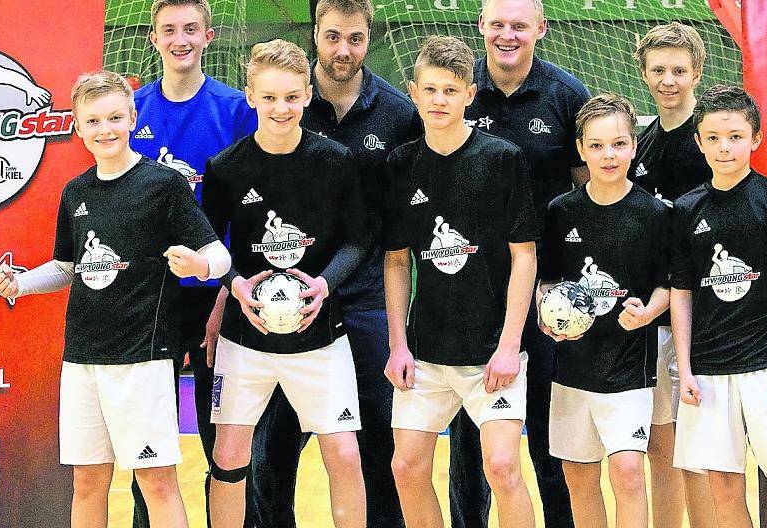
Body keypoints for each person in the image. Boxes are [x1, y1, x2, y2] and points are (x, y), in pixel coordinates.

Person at [0, 70, 231, 528]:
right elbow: (66, 267)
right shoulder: (75, 192)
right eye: (94, 121)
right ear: (78, 129)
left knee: (156, 483)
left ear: (132, 118)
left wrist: (198, 266)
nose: (106, 130)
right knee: (87, 484)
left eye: (115, 118)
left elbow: (218, 255)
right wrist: (19, 283)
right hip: (82, 359)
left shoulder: (163, 185)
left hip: (143, 357)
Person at [247, 1, 421, 526]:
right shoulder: (288, 101)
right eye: (332, 37)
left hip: (366, 294)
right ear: (315, 35)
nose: (343, 50)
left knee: (376, 441)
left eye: (355, 38)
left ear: (370, 37)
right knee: (271, 448)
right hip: (288, 296)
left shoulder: (397, 114)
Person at [201, 39, 369, 528]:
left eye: (292, 97)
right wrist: (234, 286)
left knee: (344, 454)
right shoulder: (226, 168)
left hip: (319, 336)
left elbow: (357, 242)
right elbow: (212, 250)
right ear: (250, 95)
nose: (281, 108)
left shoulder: (335, 161)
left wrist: (323, 284)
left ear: (308, 95)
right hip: (244, 338)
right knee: (229, 454)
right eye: (270, 97)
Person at [384, 35, 538, 528]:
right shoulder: (401, 165)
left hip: (491, 350)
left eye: (450, 90)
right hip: (426, 352)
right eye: (429, 90)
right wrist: (397, 346)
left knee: (503, 466)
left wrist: (510, 344)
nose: (439, 101)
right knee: (405, 468)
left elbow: (525, 257)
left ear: (471, 94)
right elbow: (394, 262)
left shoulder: (501, 159)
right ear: (412, 92)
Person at [455, 1, 590, 524]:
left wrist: (573, 285)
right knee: (472, 437)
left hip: (547, 290)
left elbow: (587, 194)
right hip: (472, 287)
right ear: (481, 26)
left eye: (519, 25)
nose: (507, 35)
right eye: (498, 24)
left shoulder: (567, 96)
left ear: (540, 28)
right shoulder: (461, 91)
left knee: (547, 429)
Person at [128, 1, 257, 526]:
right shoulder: (130, 109)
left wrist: (226, 295)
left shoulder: (234, 110)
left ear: (208, 34)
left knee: (223, 446)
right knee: (148, 449)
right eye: (168, 31)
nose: (179, 40)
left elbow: (250, 221)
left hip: (217, 297)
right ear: (154, 38)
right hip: (149, 299)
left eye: (189, 29)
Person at [671, 85, 767, 528]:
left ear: (755, 138)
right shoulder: (686, 209)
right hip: (710, 371)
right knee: (724, 485)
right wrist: (685, 368)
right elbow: (682, 292)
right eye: (713, 137)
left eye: (735, 136)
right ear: (698, 141)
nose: (724, 146)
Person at [538, 93, 669, 528]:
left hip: (630, 366)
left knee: (628, 471)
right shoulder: (561, 211)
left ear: (633, 146)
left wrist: (648, 312)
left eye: (617, 144)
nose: (608, 155)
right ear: (580, 150)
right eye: (596, 145)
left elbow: (670, 286)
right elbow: (550, 279)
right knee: (578, 473)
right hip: (573, 365)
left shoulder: (654, 214)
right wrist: (547, 312)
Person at [629, 22, 717, 528]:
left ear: (697, 75)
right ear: (644, 74)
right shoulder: (641, 145)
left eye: (679, 70)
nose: (668, 80)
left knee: (696, 452)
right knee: (661, 445)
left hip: (700, 321)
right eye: (658, 70)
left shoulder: (709, 144)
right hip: (653, 319)